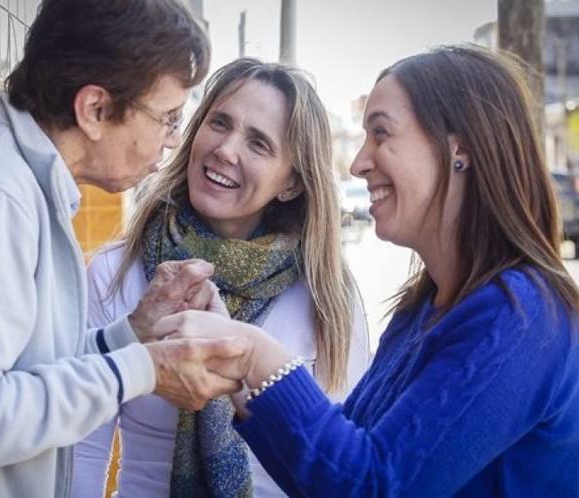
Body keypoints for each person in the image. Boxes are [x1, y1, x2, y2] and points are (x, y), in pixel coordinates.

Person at [155, 45, 579, 497]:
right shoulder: (422, 309)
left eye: (381, 134)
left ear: (459, 150)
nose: (359, 162)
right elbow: (334, 465)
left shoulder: (520, 316)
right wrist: (232, 353)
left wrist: (253, 352)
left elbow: (373, 486)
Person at [0, 1, 249, 497]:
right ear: (96, 109)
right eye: (167, 117)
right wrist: (144, 370)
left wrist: (132, 334)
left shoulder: (21, 187)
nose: (172, 141)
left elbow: (23, 372)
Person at [72, 58, 371, 498]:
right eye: (220, 123)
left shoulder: (326, 293)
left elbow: (344, 455)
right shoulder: (117, 272)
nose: (226, 150)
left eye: (258, 144)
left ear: (290, 183)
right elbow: (82, 449)